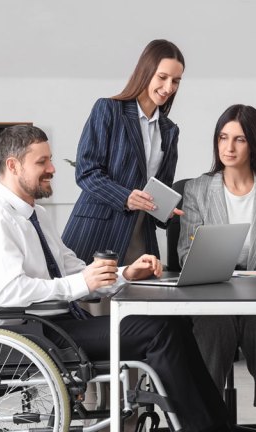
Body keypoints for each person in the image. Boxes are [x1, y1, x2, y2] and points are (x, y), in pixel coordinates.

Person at [0, 125, 230, 432]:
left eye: (50, 160)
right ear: (13, 165)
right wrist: (80, 285)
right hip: (35, 335)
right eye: (41, 162)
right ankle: (202, 427)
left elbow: (75, 269)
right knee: (160, 331)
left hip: (59, 326)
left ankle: (218, 423)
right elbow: (10, 292)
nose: (52, 169)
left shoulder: (36, 215)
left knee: (173, 322)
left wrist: (123, 274)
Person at [177, 105, 256, 432]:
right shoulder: (197, 189)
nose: (228, 148)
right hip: (212, 295)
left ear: (254, 144)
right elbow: (186, 251)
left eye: (239, 139)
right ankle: (208, 409)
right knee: (214, 327)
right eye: (223, 138)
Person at [63, 39, 185, 267]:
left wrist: (165, 210)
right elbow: (87, 171)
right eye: (162, 77)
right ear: (146, 72)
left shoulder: (170, 131)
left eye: (176, 81)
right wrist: (125, 198)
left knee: (141, 299)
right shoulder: (108, 109)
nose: (169, 87)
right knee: (91, 301)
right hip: (97, 232)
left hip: (141, 236)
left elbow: (161, 187)